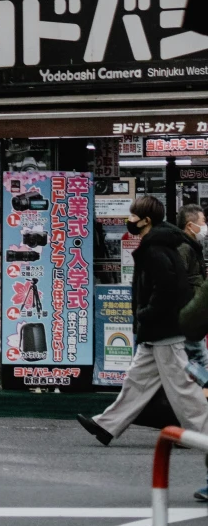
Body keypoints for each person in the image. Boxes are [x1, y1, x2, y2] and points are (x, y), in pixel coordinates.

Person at [79, 193, 208, 458]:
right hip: (161, 329)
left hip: (164, 329)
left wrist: (146, 313)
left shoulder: (154, 249)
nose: (130, 220)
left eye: (134, 216)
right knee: (136, 381)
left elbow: (166, 287)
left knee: (182, 386)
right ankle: (106, 425)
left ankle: (203, 435)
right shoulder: (162, 243)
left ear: (146, 220)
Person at [183, 206, 208, 388]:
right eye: (203, 222)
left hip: (190, 315)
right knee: (201, 360)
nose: (205, 226)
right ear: (190, 225)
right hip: (188, 315)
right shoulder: (184, 249)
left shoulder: (192, 247)